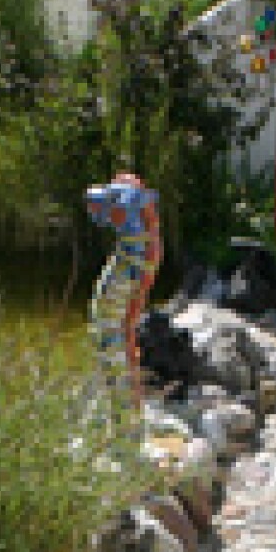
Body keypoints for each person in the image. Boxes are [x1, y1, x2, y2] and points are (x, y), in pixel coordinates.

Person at [83, 167, 161, 410]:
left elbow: (99, 209)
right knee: (126, 331)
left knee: (107, 328)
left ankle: (122, 409)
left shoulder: (130, 200)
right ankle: (130, 406)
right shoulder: (149, 226)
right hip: (140, 266)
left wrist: (106, 200)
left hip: (131, 266)